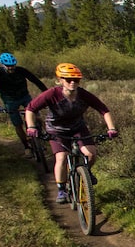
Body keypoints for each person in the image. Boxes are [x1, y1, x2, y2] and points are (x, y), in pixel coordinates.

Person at [24, 63, 118, 204]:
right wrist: (31, 127)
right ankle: (61, 189)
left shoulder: (83, 94)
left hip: (78, 127)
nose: (73, 82)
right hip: (56, 129)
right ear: (60, 80)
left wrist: (111, 128)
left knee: (91, 153)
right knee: (61, 157)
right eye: (68, 80)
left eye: (76, 80)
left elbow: (103, 109)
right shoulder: (52, 94)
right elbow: (30, 109)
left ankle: (85, 172)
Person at [0, 52, 48, 156]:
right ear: (2, 65)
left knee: (36, 115)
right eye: (8, 66)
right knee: (18, 124)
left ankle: (42, 134)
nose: (11, 68)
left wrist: (46, 94)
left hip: (24, 96)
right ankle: (27, 147)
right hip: (10, 100)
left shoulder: (21, 70)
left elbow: (36, 81)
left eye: (13, 66)